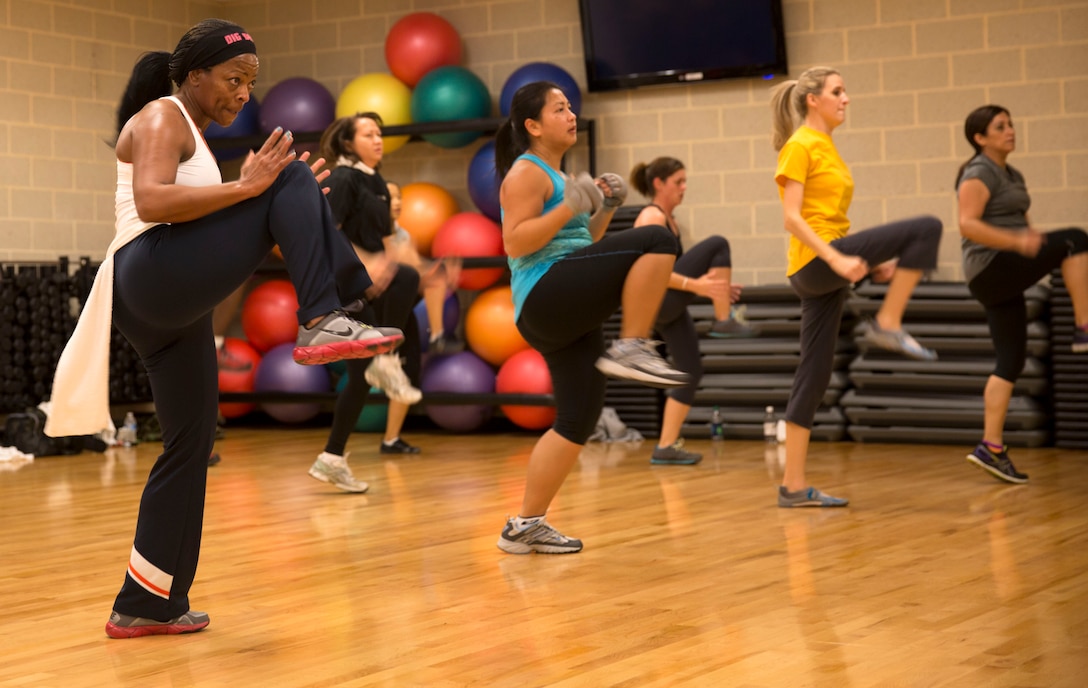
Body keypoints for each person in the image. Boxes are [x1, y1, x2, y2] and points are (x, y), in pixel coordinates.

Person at [44, 19, 403, 638]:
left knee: (188, 447)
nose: (243, 93)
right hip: (146, 271)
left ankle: (146, 602)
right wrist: (255, 188)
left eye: (251, 83)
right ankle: (326, 316)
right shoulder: (162, 115)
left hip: (167, 306)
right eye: (233, 80)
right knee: (285, 174)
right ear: (193, 76)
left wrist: (286, 205)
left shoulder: (200, 139)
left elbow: (229, 218)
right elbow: (154, 203)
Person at [494, 81, 690, 554]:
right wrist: (569, 205)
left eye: (570, 109)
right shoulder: (526, 173)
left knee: (578, 419)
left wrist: (605, 207)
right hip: (544, 293)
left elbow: (584, 242)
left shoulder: (562, 176)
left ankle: (525, 525)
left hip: (564, 297)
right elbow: (516, 243)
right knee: (658, 238)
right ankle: (632, 345)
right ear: (533, 126)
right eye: (559, 110)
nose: (571, 116)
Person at [769, 66, 942, 507]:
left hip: (823, 263)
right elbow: (792, 217)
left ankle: (792, 487)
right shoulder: (800, 144)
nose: (846, 99)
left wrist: (872, 263)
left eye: (846, 91)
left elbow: (831, 219)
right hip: (815, 260)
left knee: (815, 372)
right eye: (838, 91)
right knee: (926, 227)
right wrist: (836, 258)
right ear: (813, 99)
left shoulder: (826, 145)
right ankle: (887, 321)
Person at [956, 105, 1088, 484]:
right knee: (1076, 239)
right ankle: (1083, 328)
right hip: (992, 267)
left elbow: (1022, 225)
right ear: (981, 138)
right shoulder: (978, 172)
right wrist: (1020, 242)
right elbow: (967, 223)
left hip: (1006, 268)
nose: (1011, 130)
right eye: (1001, 127)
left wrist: (1032, 240)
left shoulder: (1011, 174)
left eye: (1011, 123)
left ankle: (991, 448)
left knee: (1010, 361)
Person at [309, 112, 427, 493]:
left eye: (380, 133)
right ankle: (387, 360)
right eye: (368, 134)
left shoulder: (376, 180)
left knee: (360, 379)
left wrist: (429, 272)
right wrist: (367, 261)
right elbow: (326, 235)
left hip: (372, 284)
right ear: (347, 143)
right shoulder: (343, 179)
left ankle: (331, 458)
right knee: (403, 285)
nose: (378, 139)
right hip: (346, 284)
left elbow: (390, 242)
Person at [630, 156, 757, 466]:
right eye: (678, 182)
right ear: (659, 184)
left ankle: (666, 447)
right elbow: (644, 270)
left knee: (690, 372)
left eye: (685, 181)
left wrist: (718, 289)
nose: (684, 188)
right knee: (717, 244)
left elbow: (677, 276)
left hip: (668, 305)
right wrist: (697, 286)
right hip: (653, 302)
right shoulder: (651, 216)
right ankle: (723, 319)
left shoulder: (671, 221)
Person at [386, 179, 464, 354]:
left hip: (402, 309)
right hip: (377, 309)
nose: (398, 203)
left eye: (399, 197)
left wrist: (441, 275)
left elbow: (417, 266)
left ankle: (437, 337)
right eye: (391, 198)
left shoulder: (403, 234)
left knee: (435, 280)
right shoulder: (371, 231)